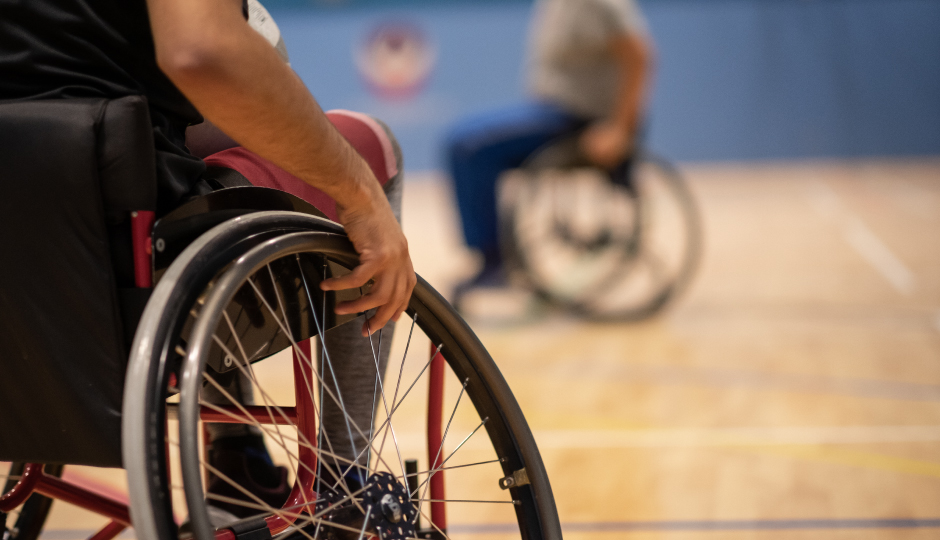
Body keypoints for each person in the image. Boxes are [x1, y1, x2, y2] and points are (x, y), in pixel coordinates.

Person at [0, 0, 415, 524]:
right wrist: (357, 192)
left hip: (21, 289)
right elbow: (200, 51)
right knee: (369, 144)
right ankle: (343, 484)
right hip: (120, 282)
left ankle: (237, 456)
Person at [446, 0, 654, 301]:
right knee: (466, 140)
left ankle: (494, 262)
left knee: (468, 146)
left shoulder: (599, 4)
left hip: (577, 119)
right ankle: (494, 257)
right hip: (553, 110)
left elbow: (640, 55)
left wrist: (620, 130)